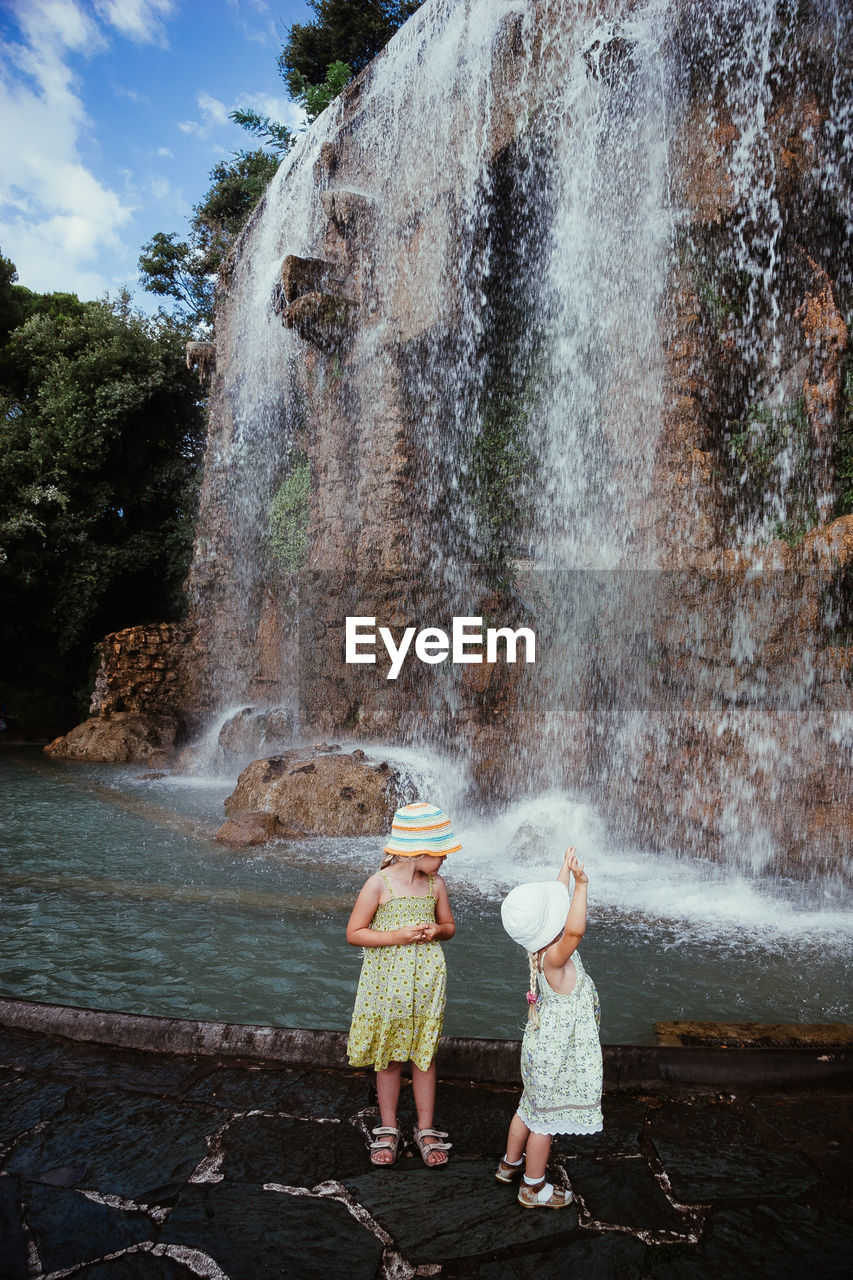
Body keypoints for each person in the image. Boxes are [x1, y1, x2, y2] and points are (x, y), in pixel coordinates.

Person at [346, 800, 458, 1167]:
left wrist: (435, 930)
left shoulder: (435, 885)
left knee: (424, 1055)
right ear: (418, 852)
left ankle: (425, 1127)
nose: (443, 860)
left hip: (425, 984)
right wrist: (397, 935)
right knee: (390, 1057)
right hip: (387, 986)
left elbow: (450, 929)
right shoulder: (378, 884)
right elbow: (355, 933)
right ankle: (389, 1126)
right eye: (439, 853)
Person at [497, 847, 603, 1208]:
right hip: (555, 1058)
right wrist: (583, 884)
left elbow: (556, 907)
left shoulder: (540, 948)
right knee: (544, 1123)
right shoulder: (556, 957)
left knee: (528, 1108)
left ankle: (509, 1164)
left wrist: (564, 870)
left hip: (540, 1051)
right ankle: (533, 1186)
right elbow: (574, 929)